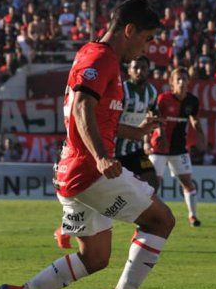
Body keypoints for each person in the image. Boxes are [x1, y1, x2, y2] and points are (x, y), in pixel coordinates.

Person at [0, 0, 174, 289]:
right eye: (147, 38)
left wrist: (133, 133)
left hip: (71, 172)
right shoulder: (101, 58)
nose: (147, 47)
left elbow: (97, 115)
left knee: (94, 257)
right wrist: (102, 156)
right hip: (90, 171)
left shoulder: (96, 56)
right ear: (129, 29)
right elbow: (81, 108)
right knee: (161, 220)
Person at [54, 55, 160, 249]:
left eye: (143, 68)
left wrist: (149, 131)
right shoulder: (122, 91)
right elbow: (108, 121)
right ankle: (65, 227)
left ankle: (143, 226)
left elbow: (152, 113)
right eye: (136, 67)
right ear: (129, 70)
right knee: (101, 198)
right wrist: (136, 132)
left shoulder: (152, 92)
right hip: (112, 149)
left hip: (134, 149)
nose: (139, 71)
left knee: (152, 179)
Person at [149, 67, 206, 227]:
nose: (182, 82)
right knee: (153, 185)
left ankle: (193, 216)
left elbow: (194, 119)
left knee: (188, 183)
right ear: (172, 83)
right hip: (159, 147)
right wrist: (160, 135)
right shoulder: (163, 98)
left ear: (189, 82)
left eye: (184, 79)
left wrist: (201, 135)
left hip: (179, 148)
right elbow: (156, 118)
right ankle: (149, 217)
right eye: (178, 79)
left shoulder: (192, 101)